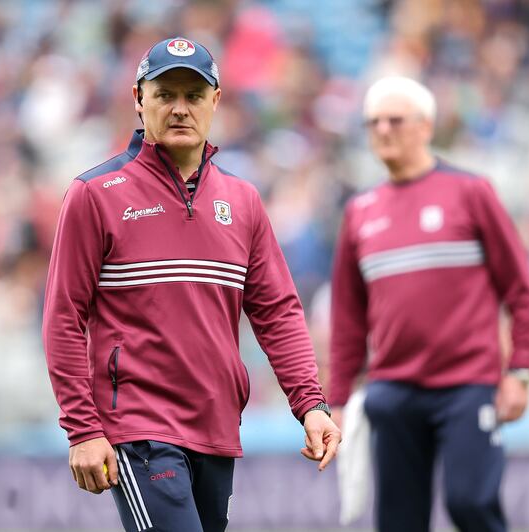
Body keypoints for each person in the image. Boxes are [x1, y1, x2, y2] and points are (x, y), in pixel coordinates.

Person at [42, 37, 340, 532]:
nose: (180, 108)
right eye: (165, 94)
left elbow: (278, 312)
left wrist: (310, 403)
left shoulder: (242, 201)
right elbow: (62, 318)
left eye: (194, 95)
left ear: (216, 101)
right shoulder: (94, 194)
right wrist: (83, 429)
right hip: (138, 426)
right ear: (139, 99)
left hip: (217, 425)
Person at [329, 76, 529, 532]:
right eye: (374, 122)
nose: (383, 130)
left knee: (470, 504)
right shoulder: (360, 211)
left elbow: (522, 289)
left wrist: (520, 372)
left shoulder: (470, 192)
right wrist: (339, 400)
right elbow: (348, 318)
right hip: (392, 389)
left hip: (467, 385)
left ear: (426, 126)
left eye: (395, 120)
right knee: (398, 522)